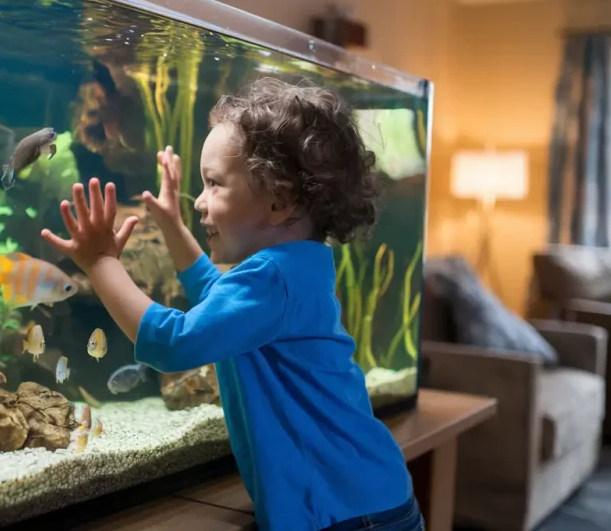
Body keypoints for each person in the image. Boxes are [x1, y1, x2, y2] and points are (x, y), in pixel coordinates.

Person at [40, 77, 422, 531]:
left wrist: (101, 263)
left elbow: (174, 343)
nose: (199, 201)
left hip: (349, 515)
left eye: (213, 184)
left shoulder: (273, 276)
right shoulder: (297, 265)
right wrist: (175, 228)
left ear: (279, 200)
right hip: (366, 499)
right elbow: (215, 299)